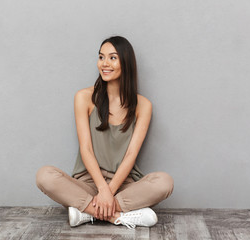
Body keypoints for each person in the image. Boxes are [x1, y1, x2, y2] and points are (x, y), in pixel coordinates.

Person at [36, 36, 174, 229]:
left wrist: (109, 192)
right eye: (101, 57)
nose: (105, 63)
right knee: (45, 175)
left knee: (164, 182)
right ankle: (117, 217)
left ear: (125, 63)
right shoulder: (84, 98)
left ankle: (88, 212)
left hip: (124, 185)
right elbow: (86, 149)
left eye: (112, 58)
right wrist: (102, 189)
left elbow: (131, 155)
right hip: (89, 182)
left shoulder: (143, 105)